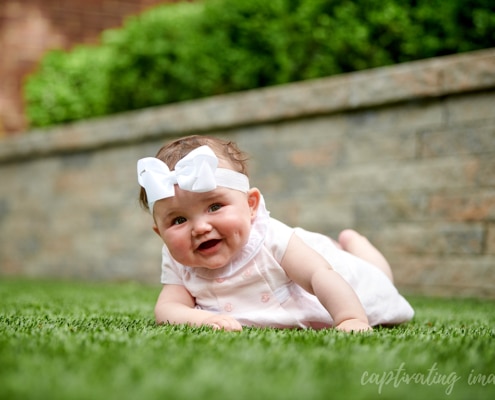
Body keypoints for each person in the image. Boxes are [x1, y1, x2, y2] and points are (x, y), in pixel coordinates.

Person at [137, 135, 414, 332]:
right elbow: (168, 309)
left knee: (378, 278)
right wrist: (203, 321)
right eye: (179, 220)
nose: (199, 228)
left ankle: (354, 243)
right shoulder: (177, 260)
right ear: (160, 233)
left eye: (215, 206)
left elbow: (320, 275)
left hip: (341, 278)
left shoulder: (271, 239)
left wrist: (350, 318)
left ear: (251, 205)